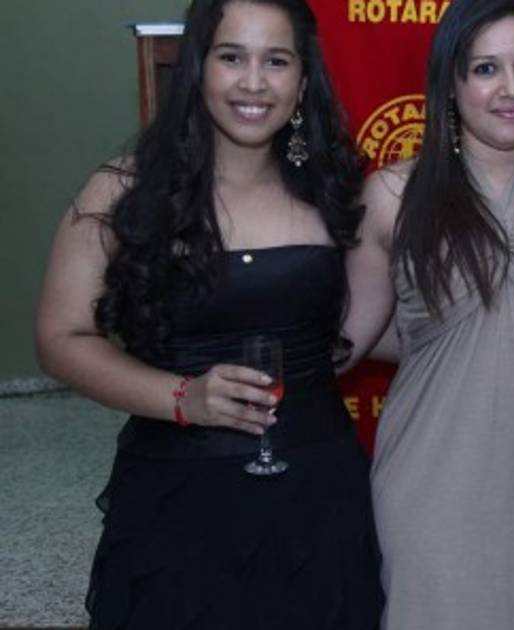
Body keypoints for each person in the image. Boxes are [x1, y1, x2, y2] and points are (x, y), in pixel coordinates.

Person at [34, 1, 384, 628]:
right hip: (178, 501)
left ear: (303, 80)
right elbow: (61, 337)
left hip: (319, 494)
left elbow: (362, 331)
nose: (254, 82)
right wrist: (182, 398)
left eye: (276, 61)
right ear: (197, 67)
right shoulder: (123, 190)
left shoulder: (334, 190)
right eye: (231, 57)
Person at [338, 0, 514, 627]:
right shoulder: (391, 196)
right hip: (433, 479)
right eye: (486, 69)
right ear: (450, 82)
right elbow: (350, 340)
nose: (511, 89)